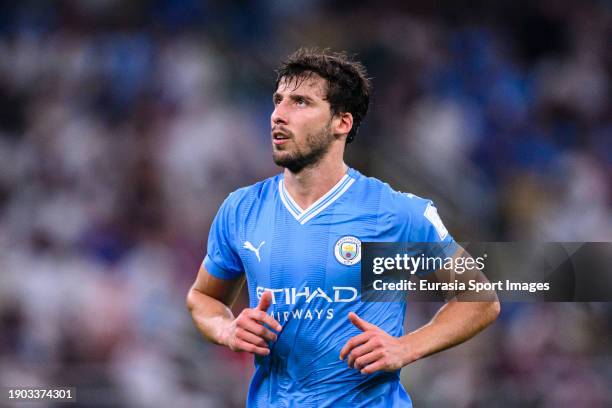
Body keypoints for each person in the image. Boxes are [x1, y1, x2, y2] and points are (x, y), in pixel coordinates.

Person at [186, 48, 500, 407]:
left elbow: (479, 299)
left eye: (301, 102)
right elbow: (204, 297)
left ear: (342, 122)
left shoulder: (396, 214)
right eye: (278, 100)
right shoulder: (241, 210)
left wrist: (406, 347)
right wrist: (227, 329)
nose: (278, 115)